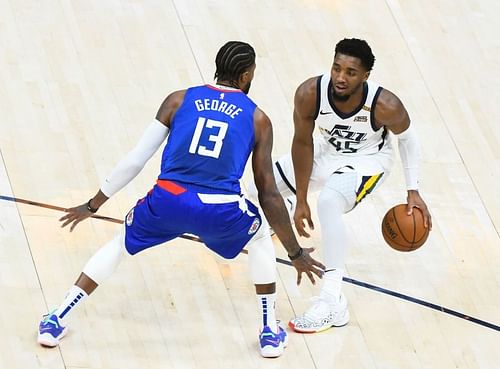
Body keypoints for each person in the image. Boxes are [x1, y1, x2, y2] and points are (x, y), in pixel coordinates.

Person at [37, 41, 325, 358]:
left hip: (168, 200)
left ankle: (56, 318)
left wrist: (93, 205)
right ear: (246, 75)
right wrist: (295, 252)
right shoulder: (258, 119)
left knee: (119, 245)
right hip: (219, 209)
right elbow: (269, 193)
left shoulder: (179, 99)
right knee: (259, 236)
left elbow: (135, 160)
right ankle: (269, 331)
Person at [256, 38, 432, 333]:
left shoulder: (385, 105)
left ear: (365, 76)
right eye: (337, 68)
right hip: (326, 153)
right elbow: (302, 142)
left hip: (369, 161)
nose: (340, 76)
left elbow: (409, 139)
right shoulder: (310, 93)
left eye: (350, 72)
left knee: (328, 202)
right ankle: (281, 212)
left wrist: (413, 189)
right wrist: (300, 199)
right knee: (257, 191)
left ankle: (332, 302)